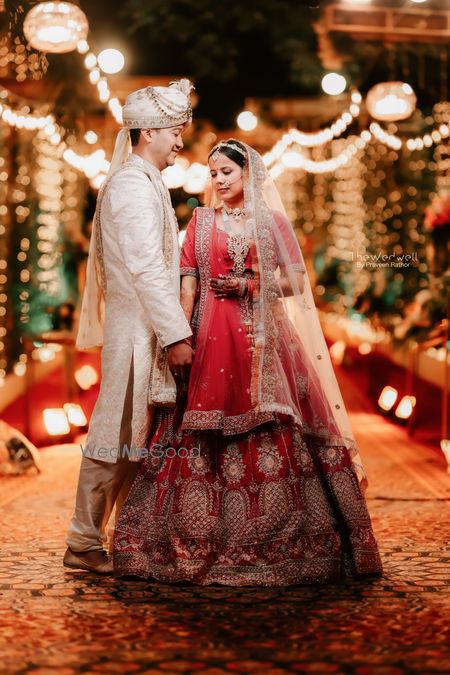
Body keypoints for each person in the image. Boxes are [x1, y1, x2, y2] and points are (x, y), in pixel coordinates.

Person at [114, 139, 382, 586]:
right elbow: (188, 285)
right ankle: (191, 541)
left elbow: (296, 281)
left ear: (247, 173)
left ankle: (284, 545)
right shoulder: (200, 222)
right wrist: (180, 338)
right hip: (209, 339)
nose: (218, 181)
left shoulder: (271, 221)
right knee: (199, 431)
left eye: (227, 172)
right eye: (213, 173)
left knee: (272, 426)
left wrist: (251, 285)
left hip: (263, 342)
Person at [64, 80, 195, 574]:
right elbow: (146, 268)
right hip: (136, 335)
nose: (179, 141)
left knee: (132, 441)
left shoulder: (145, 181)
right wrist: (176, 334)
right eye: (174, 131)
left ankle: (124, 538)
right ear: (147, 132)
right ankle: (82, 541)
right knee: (114, 437)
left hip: (145, 331)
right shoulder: (132, 186)